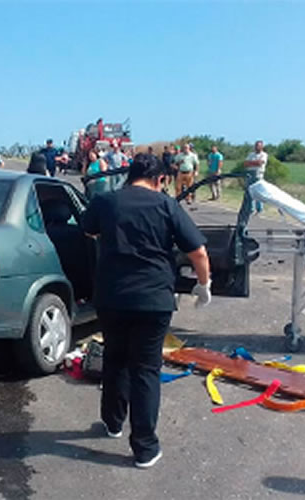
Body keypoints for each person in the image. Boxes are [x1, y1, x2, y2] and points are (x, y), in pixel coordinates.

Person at [82, 153, 211, 469]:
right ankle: (144, 447)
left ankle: (112, 422)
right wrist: (204, 284)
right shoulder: (167, 205)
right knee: (145, 369)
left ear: (129, 175)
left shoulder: (106, 201)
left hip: (112, 297)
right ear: (160, 179)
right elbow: (198, 251)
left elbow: (88, 231)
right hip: (153, 300)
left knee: (115, 358)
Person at [244, 140, 268, 213]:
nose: (257, 147)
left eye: (259, 146)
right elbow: (245, 163)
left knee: (258, 192)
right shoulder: (251, 154)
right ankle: (251, 208)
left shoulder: (264, 155)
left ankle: (259, 208)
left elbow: (260, 163)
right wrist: (255, 162)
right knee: (250, 191)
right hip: (250, 174)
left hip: (258, 174)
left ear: (262, 147)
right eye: (256, 145)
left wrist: (251, 163)